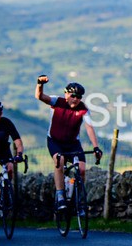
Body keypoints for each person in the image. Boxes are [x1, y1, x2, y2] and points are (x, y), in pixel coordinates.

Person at [35, 75, 102, 214]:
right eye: (73, 95)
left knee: (82, 169)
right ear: (66, 94)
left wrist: (96, 147)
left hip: (73, 144)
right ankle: (60, 196)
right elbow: (40, 96)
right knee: (59, 161)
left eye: (79, 96)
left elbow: (89, 127)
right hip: (55, 141)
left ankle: (79, 201)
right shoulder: (57, 101)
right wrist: (40, 84)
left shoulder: (83, 109)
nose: (76, 99)